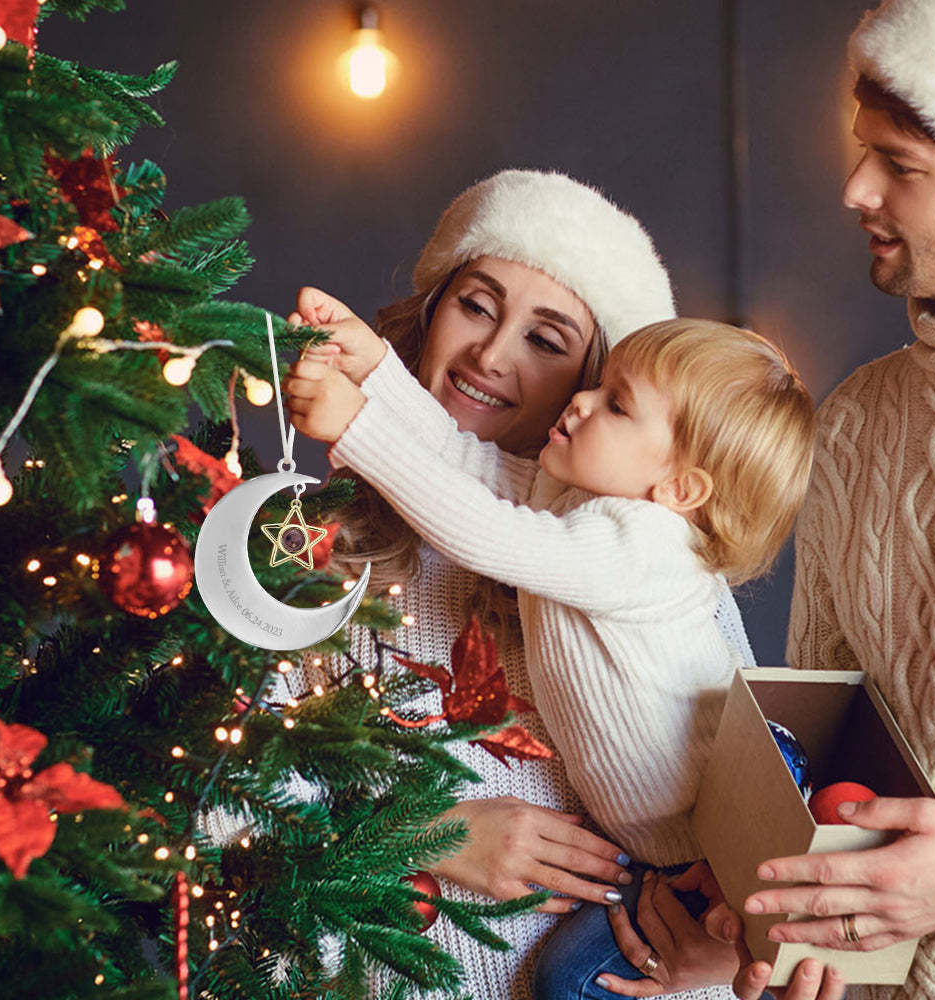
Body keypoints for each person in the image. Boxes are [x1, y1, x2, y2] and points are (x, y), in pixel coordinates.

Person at [284, 168, 758, 999]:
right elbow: (205, 802)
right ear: (433, 311)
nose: (491, 357)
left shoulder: (656, 558)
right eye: (475, 305)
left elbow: (746, 815)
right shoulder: (302, 548)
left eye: (546, 341)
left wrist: (727, 949)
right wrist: (425, 833)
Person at [603, 2, 935, 998]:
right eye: (862, 153)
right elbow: (820, 728)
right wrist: (757, 891)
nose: (854, 189)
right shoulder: (858, 419)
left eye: (899, 165)